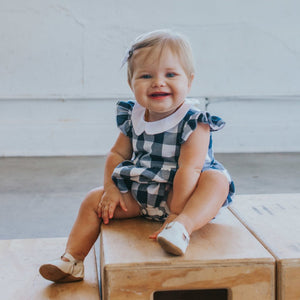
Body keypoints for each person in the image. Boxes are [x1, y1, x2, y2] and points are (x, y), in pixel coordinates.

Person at [39, 29, 235, 283]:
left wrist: (176, 213)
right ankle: (72, 260)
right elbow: (117, 153)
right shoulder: (134, 116)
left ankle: (183, 228)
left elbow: (190, 169)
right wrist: (111, 189)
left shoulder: (194, 121)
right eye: (146, 75)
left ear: (189, 80)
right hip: (142, 196)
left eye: (171, 74)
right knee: (92, 199)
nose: (158, 82)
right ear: (131, 84)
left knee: (216, 181)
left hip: (185, 196)